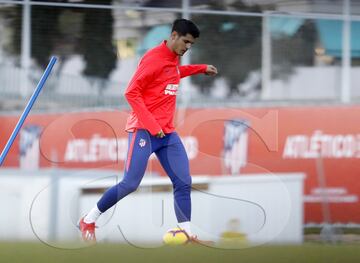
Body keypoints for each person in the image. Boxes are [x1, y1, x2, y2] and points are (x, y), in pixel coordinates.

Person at [79, 18, 218, 243]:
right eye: (186, 42)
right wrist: (153, 126)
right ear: (173, 35)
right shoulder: (153, 59)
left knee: (183, 181)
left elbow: (173, 73)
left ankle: (187, 233)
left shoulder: (172, 58)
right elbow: (131, 93)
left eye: (192, 44)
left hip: (167, 134)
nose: (187, 47)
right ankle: (89, 219)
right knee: (130, 183)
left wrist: (200, 68)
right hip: (144, 131)